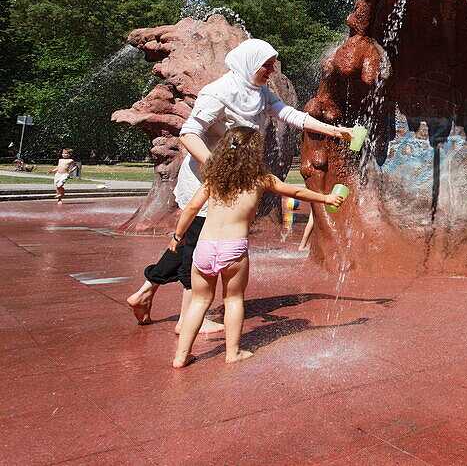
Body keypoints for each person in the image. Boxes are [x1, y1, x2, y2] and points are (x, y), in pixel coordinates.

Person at [126, 39, 354, 332]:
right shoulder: (218, 93)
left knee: (189, 239)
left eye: (272, 65)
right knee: (197, 245)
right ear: (249, 63)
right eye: (267, 65)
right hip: (208, 179)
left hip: (233, 179)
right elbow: (189, 133)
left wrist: (335, 131)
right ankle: (187, 319)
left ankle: (146, 291)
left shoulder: (258, 91)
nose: (271, 71)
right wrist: (216, 167)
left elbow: (290, 115)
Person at [170, 128, 345, 368]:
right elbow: (294, 191)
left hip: (205, 247)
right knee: (233, 300)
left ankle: (181, 356)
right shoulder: (261, 179)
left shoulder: (213, 180)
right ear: (255, 153)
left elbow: (190, 209)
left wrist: (177, 236)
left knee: (199, 302)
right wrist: (325, 198)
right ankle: (233, 352)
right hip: (233, 248)